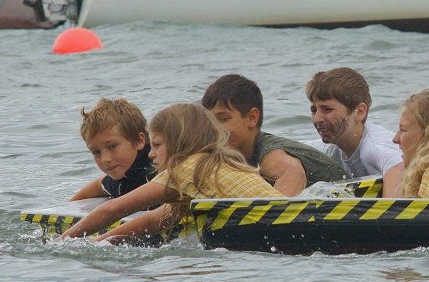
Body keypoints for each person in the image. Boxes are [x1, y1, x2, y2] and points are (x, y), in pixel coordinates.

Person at [62, 103, 281, 244]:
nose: (151, 154)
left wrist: (63, 242)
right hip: (285, 217)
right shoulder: (215, 164)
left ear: (179, 144)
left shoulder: (186, 169)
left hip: (275, 223)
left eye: (156, 145)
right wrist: (101, 241)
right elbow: (154, 220)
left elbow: (112, 209)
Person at [201, 74, 347, 196]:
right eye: (209, 120)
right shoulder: (233, 152)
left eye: (223, 119)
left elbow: (294, 172)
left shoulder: (269, 152)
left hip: (347, 196)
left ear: (252, 118)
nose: (215, 128)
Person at [305, 67, 404, 196]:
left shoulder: (375, 147)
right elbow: (291, 150)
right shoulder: (327, 150)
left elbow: (400, 168)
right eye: (314, 110)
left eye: (327, 109)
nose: (317, 119)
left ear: (360, 112)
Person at [70, 97, 156, 200]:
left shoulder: (161, 171)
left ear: (139, 141)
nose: (105, 159)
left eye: (112, 147)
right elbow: (99, 185)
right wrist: (68, 204)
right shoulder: (119, 180)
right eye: (96, 152)